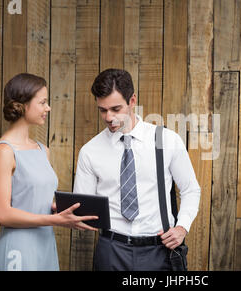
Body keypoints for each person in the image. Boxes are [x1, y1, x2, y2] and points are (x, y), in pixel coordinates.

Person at [73, 68, 201, 271]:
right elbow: (83, 208)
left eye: (116, 109)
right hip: (111, 250)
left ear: (132, 101)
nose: (108, 117)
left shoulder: (166, 140)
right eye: (102, 110)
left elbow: (190, 189)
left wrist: (182, 226)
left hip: (159, 250)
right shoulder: (90, 151)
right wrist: (67, 211)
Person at [0, 73, 98, 271]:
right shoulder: (5, 151)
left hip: (46, 246)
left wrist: (60, 209)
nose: (48, 108)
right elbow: (2, 214)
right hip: (18, 251)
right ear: (23, 105)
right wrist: (55, 220)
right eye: (42, 102)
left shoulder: (42, 149)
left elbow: (34, 199)